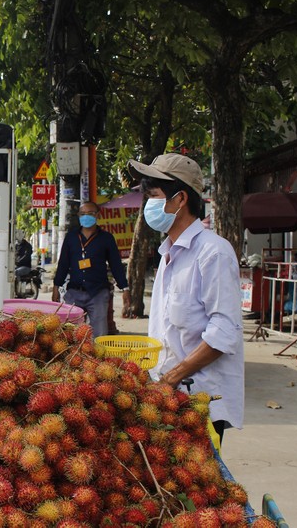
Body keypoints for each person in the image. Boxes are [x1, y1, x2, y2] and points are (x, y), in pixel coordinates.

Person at [128, 153, 244, 444]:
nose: (148, 206)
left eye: (153, 196)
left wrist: (173, 376)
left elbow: (224, 332)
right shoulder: (168, 254)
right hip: (168, 397)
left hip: (199, 401)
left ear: (180, 200)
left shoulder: (213, 253)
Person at [51, 201, 131, 337]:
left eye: (90, 213)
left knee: (99, 335)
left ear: (97, 215)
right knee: (71, 335)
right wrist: (56, 286)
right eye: (83, 214)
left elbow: (116, 265)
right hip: (74, 292)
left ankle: (95, 358)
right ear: (78, 215)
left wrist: (125, 288)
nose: (86, 216)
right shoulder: (71, 237)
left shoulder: (106, 238)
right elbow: (63, 263)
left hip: (98, 293)